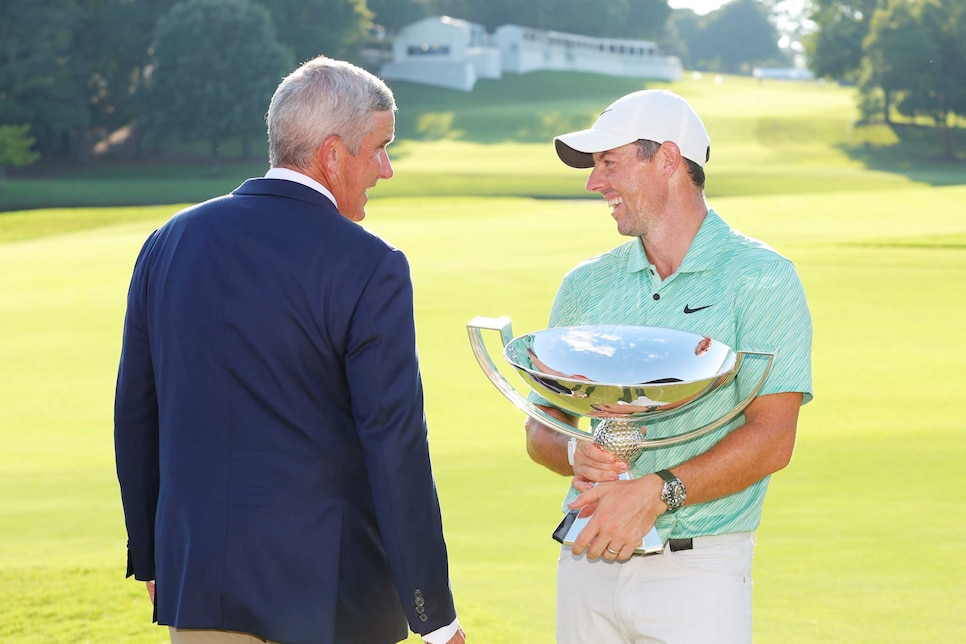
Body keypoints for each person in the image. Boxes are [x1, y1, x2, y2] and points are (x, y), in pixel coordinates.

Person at [114, 56, 465, 644]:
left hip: (201, 588)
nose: (387, 169)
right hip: (330, 602)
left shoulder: (167, 243)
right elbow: (394, 445)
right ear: (332, 154)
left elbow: (135, 415)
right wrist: (435, 616)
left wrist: (153, 557)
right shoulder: (371, 264)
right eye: (379, 147)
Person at [524, 89, 813, 643]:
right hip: (587, 561)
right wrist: (570, 450)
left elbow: (774, 437)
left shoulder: (761, 278)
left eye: (609, 162)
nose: (593, 182)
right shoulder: (585, 284)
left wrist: (657, 492)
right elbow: (540, 425)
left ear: (668, 160)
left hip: (698, 573)